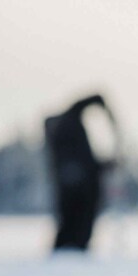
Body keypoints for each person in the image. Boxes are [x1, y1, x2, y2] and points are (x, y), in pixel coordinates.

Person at [44, 94, 116, 251]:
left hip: (74, 189)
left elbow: (85, 161)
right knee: (75, 225)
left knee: (71, 225)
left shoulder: (66, 129)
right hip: (79, 191)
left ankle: (70, 249)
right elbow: (84, 162)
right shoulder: (69, 127)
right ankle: (72, 249)